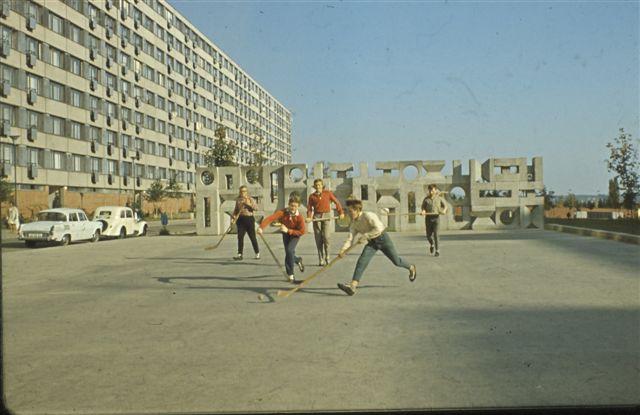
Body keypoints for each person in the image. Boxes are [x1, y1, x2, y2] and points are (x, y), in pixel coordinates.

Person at [336, 199, 416, 296]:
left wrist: (366, 236)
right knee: (362, 261)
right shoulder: (354, 224)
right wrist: (343, 251)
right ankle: (353, 286)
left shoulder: (368, 215)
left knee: (396, 261)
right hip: (372, 243)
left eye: (350, 211)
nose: (349, 214)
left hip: (383, 238)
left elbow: (379, 228)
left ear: (357, 210)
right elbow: (350, 238)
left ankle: (411, 267)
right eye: (348, 211)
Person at [258, 194, 306, 284]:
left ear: (298, 206)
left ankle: (291, 275)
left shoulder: (299, 217)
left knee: (289, 250)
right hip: (285, 234)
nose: (293, 208)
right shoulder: (283, 212)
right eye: (291, 205)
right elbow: (270, 218)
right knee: (289, 253)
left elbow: (302, 231)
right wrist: (261, 227)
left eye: (295, 206)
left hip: (295, 234)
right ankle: (297, 260)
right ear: (288, 204)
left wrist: (289, 230)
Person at [305, 179, 345, 266]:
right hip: (317, 217)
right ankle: (321, 258)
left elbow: (336, 202)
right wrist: (308, 217)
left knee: (326, 237)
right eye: (316, 185)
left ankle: (327, 256)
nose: (318, 187)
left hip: (326, 216)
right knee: (318, 239)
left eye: (319, 185)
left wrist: (341, 212)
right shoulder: (312, 196)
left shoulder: (328, 193)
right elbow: (309, 208)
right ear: (314, 187)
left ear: (322, 186)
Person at [231, 185, 260, 261]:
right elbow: (236, 210)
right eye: (241, 191)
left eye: (244, 191)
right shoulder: (238, 200)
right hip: (240, 219)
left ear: (247, 192)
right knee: (240, 236)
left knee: (252, 237)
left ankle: (257, 253)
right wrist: (233, 217)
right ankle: (239, 254)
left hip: (249, 219)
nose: (242, 193)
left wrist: (248, 204)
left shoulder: (250, 199)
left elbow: (256, 208)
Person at [420, 184, 448, 257]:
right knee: (428, 236)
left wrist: (444, 210)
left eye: (432, 190)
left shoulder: (439, 198)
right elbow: (423, 207)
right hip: (428, 219)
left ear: (435, 190)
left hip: (436, 218)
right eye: (430, 190)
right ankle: (432, 244)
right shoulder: (426, 199)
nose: (431, 192)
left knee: (436, 235)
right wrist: (423, 211)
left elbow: (445, 206)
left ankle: (437, 250)